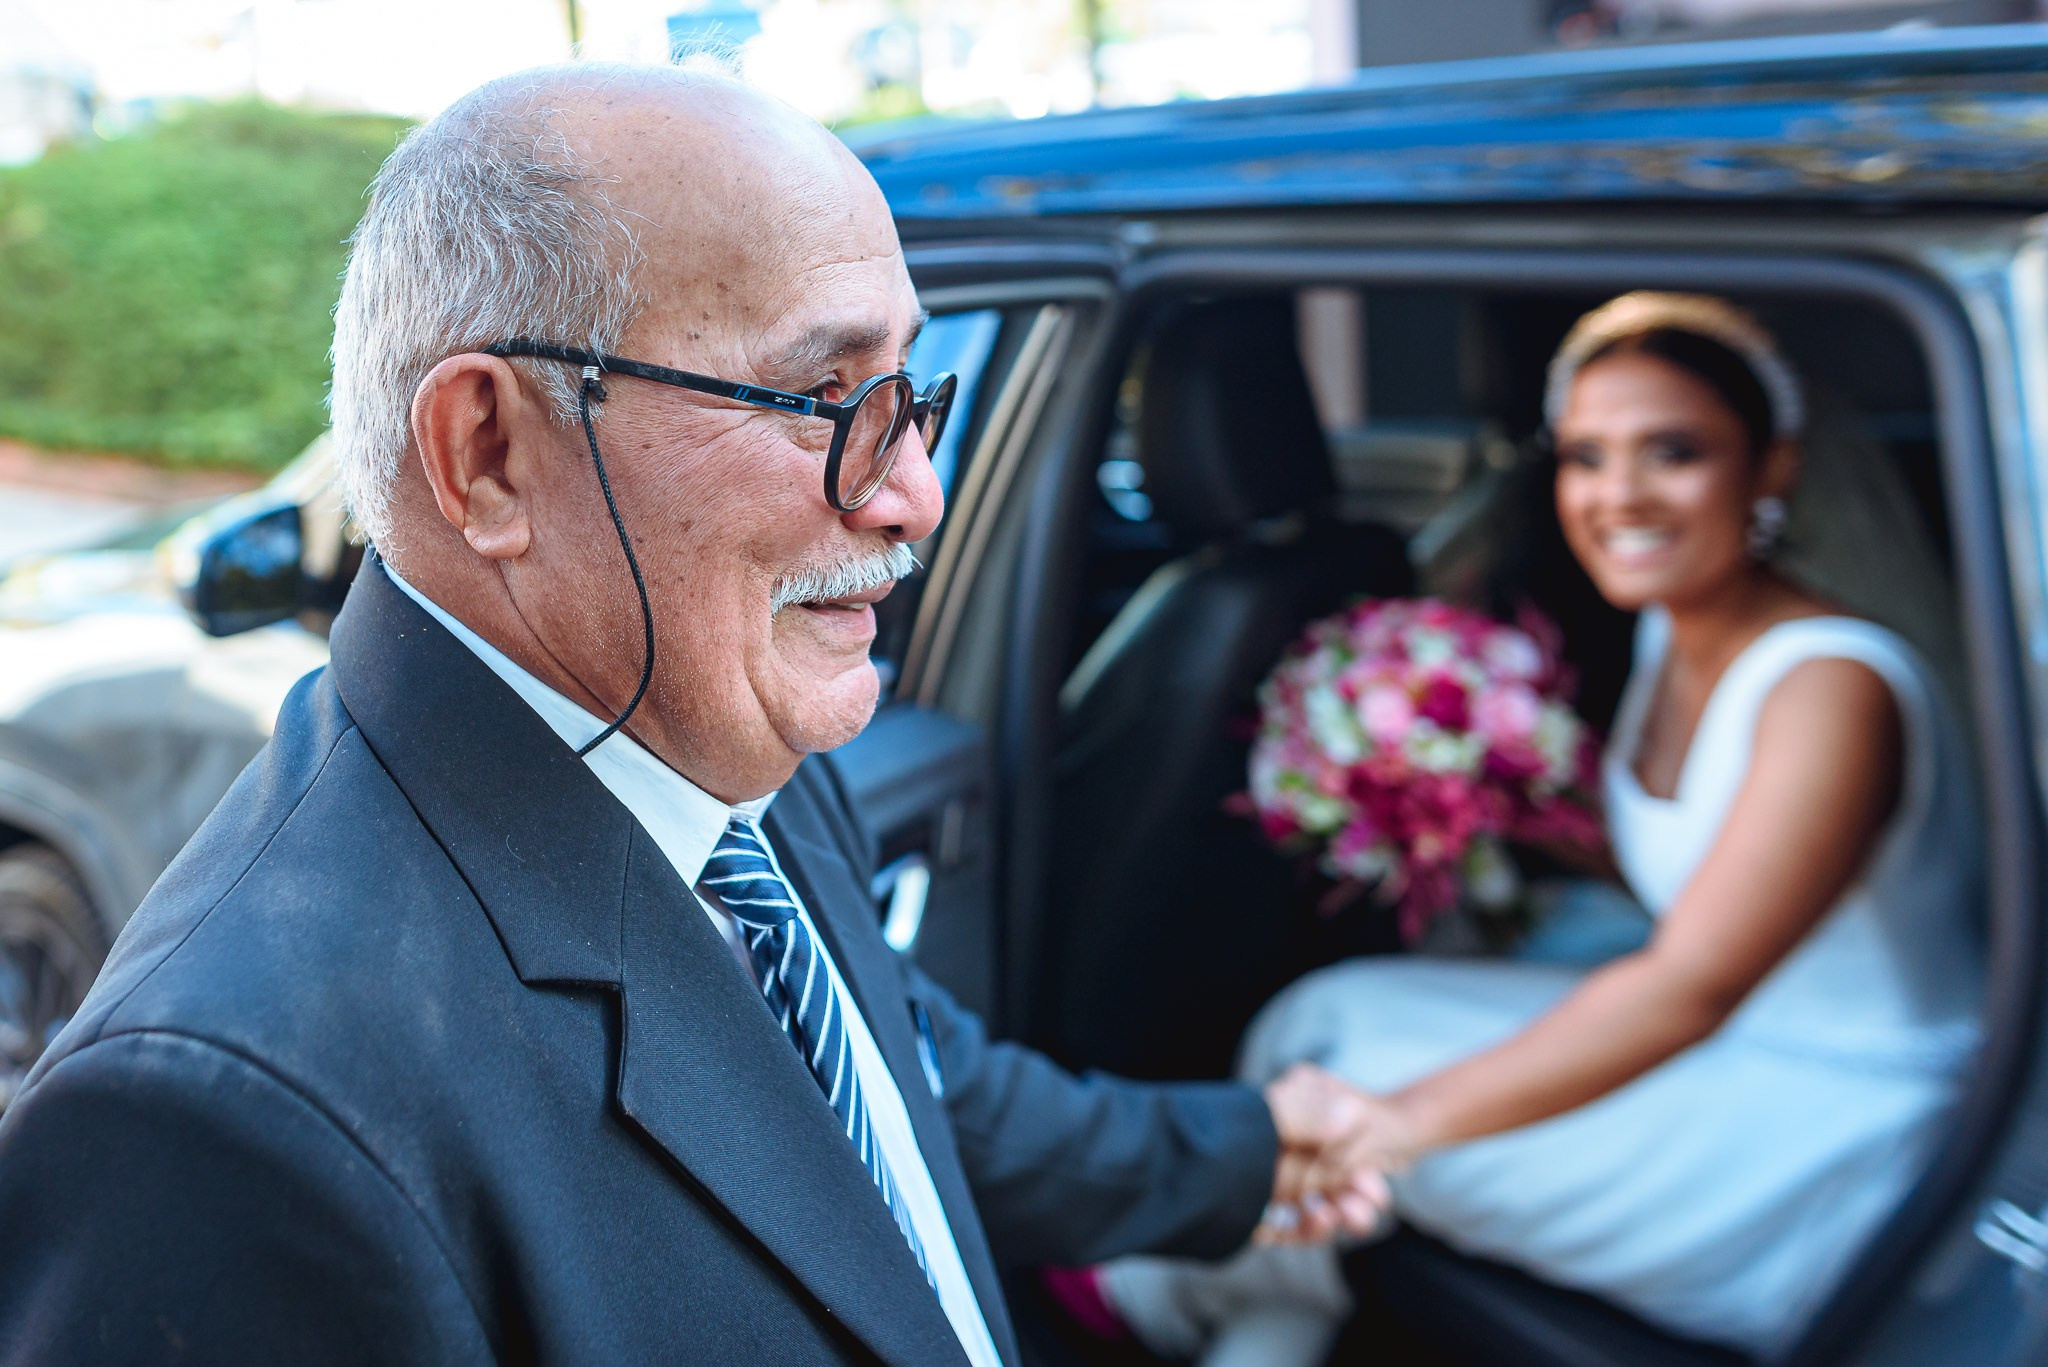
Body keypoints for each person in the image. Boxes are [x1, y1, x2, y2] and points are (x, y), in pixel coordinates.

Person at [0, 65, 1387, 1366]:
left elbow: (893, 1086)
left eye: (911, 395)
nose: (913, 493)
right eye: (823, 397)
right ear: (489, 452)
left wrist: (1250, 1151)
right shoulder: (223, 1126)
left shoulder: (716, 725)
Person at [1089, 292, 1986, 1362]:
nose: (1620, 495)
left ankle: (1160, 1301)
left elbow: (1691, 981)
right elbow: (1701, 864)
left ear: (1771, 467)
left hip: (1831, 1136)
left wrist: (1408, 1118)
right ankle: (1248, 1314)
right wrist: (1474, 791)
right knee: (1314, 1017)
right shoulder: (1672, 627)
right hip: (1727, 1039)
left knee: (1356, 1109)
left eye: (1672, 452)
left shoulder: (1828, 688)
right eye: (1585, 457)